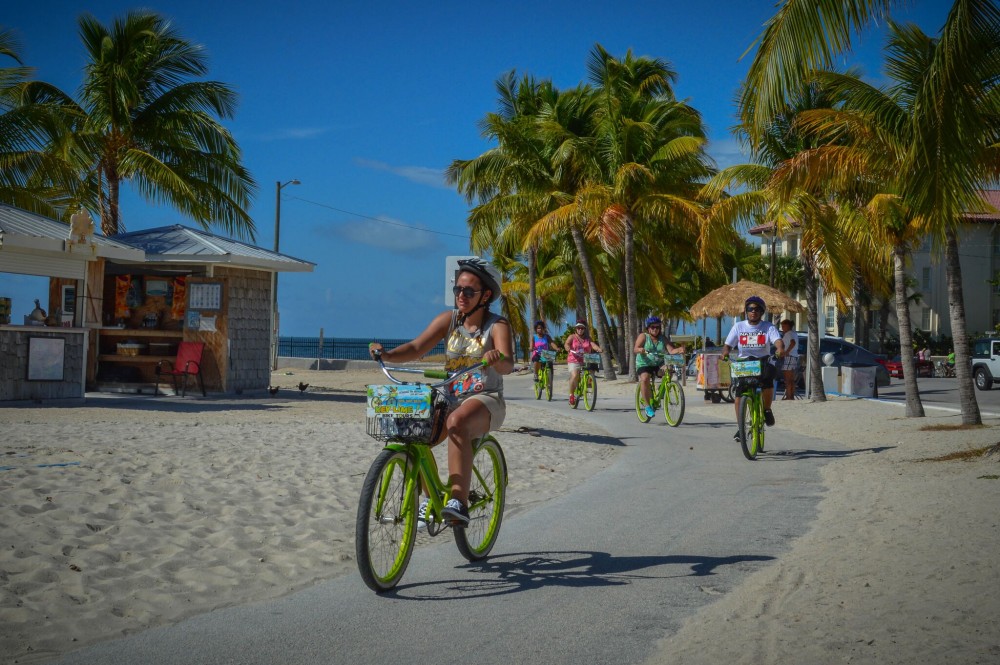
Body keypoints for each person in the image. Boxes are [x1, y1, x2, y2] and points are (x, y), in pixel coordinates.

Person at [368, 257, 513, 527]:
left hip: (486, 398)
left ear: (486, 295)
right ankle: (430, 497)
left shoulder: (497, 325)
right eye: (458, 290)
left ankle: (458, 501)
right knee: (413, 434)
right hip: (450, 396)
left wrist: (497, 358)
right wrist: (386, 354)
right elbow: (416, 348)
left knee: (456, 422)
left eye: (469, 291)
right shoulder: (449, 320)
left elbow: (507, 364)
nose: (461, 296)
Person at [721, 295, 785, 441]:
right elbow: (728, 345)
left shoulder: (768, 327)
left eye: (757, 309)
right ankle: (741, 427)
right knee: (738, 395)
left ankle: (767, 409)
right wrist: (725, 352)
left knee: (768, 380)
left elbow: (778, 341)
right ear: (746, 311)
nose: (753, 311)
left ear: (762, 312)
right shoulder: (738, 326)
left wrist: (780, 349)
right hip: (744, 363)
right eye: (750, 309)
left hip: (762, 362)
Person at [634, 316, 686, 418]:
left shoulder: (663, 338)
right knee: (644, 378)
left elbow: (671, 351)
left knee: (669, 369)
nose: (655, 329)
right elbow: (635, 348)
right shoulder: (643, 336)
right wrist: (640, 350)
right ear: (648, 328)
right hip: (644, 364)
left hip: (658, 364)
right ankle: (647, 406)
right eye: (653, 327)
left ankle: (662, 392)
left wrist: (679, 349)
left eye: (657, 327)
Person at [565, 319, 602, 406]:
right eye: (578, 328)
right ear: (576, 329)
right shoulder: (572, 337)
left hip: (586, 359)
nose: (580, 330)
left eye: (582, 328)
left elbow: (593, 345)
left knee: (592, 370)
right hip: (574, 359)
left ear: (584, 329)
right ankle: (571, 395)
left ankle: (588, 382)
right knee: (574, 375)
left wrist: (598, 349)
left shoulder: (588, 338)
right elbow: (567, 344)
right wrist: (568, 348)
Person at [779, 319, 799, 400]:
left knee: (787, 379)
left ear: (788, 326)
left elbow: (793, 342)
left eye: (784, 326)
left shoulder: (789, 334)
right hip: (793, 356)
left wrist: (786, 352)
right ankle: (791, 396)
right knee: (791, 379)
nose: (782, 328)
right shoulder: (793, 333)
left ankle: (789, 396)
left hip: (789, 356)